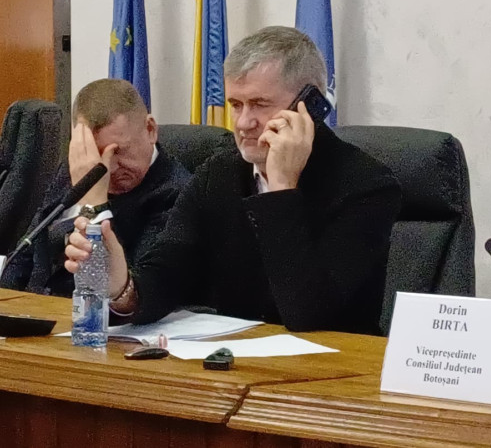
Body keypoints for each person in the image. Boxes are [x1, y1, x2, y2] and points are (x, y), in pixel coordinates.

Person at [66, 27, 401, 335]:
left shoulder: (367, 186)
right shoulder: (220, 174)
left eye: (259, 104)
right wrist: (123, 288)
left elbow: (309, 315)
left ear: (309, 106)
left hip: (336, 369)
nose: (242, 123)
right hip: (235, 362)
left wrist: (281, 188)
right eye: (236, 105)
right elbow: (168, 273)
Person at [1, 78, 190, 297]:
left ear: (150, 130)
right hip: (37, 310)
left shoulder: (180, 194)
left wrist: (94, 204)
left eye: (118, 151)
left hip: (93, 315)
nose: (109, 168)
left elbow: (132, 292)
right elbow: (27, 251)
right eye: (97, 153)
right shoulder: (80, 167)